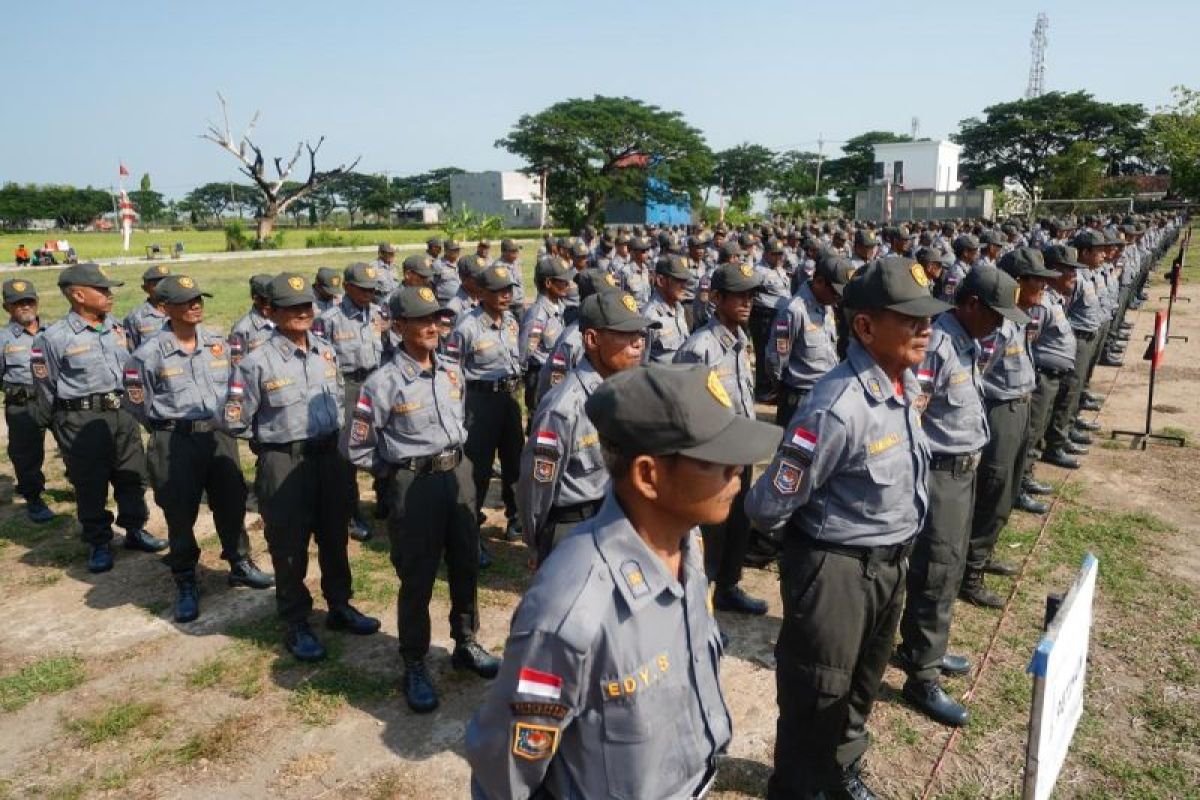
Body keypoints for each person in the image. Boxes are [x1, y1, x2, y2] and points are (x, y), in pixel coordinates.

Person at [467, 363, 781, 799]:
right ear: (649, 475)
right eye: (717, 461)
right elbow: (504, 776)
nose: (738, 473)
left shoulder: (686, 545)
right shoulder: (571, 613)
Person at [745, 256, 945, 800]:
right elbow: (768, 505)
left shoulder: (900, 383)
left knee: (860, 685)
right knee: (817, 693)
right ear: (865, 326)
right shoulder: (836, 407)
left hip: (887, 566)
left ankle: (840, 772)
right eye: (911, 319)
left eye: (927, 318)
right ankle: (799, 788)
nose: (926, 329)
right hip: (836, 571)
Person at [344, 285, 499, 712]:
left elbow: (459, 418)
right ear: (398, 326)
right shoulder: (381, 384)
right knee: (418, 579)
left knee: (466, 563)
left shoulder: (452, 371)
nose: (433, 326)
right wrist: (395, 475)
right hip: (414, 486)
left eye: (437, 318)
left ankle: (465, 640)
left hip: (458, 475)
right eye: (421, 319)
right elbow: (357, 447)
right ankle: (414, 661)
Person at [895, 264, 1028, 729]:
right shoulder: (937, 344)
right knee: (937, 569)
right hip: (940, 472)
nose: (1001, 322)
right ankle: (922, 675)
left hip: (962, 470)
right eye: (995, 312)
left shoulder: (966, 339)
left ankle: (921, 647)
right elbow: (913, 414)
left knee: (945, 570)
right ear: (970, 304)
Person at [222, 272, 380, 661]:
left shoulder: (326, 351)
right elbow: (233, 418)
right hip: (284, 461)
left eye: (307, 306)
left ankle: (339, 606)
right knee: (289, 546)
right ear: (271, 311)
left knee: (334, 538)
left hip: (331, 458)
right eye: (291, 308)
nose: (302, 313)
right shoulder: (255, 363)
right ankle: (295, 620)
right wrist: (271, 441)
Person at [125, 275, 273, 622]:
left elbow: (236, 389)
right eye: (186, 301)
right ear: (164, 308)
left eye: (198, 299)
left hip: (219, 436)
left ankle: (238, 562)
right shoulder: (147, 356)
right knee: (180, 513)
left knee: (231, 502)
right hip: (175, 441)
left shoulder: (218, 344)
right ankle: (186, 579)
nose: (196, 305)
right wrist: (168, 429)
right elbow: (137, 404)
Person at [32, 263, 165, 573]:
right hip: (80, 418)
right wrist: (63, 425)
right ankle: (98, 541)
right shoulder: (54, 337)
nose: (109, 295)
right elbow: (46, 387)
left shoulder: (117, 327)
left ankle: (134, 528)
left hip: (121, 414)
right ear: (78, 295)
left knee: (132, 474)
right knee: (90, 481)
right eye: (102, 290)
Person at [517, 292, 657, 563]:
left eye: (640, 334)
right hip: (574, 529)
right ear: (592, 339)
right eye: (626, 334)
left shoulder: (627, 390)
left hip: (616, 519)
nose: (638, 343)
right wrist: (538, 542)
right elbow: (536, 486)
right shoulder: (563, 407)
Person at [674, 263, 768, 616]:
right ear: (716, 298)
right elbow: (686, 409)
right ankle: (701, 602)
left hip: (740, 452)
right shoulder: (701, 348)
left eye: (750, 295)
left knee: (738, 524)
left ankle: (728, 586)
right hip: (712, 458)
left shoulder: (740, 341)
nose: (747, 302)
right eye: (738, 295)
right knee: (710, 533)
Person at [960, 264, 1040, 609]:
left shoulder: (1017, 318)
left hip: (1020, 405)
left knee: (1008, 488)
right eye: (1036, 279)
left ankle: (984, 552)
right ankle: (970, 571)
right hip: (999, 409)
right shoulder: (995, 325)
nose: (1043, 286)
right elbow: (977, 375)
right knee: (992, 488)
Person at [312, 262, 387, 541]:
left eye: (372, 289)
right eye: (363, 289)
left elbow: (389, 346)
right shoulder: (328, 319)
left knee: (382, 440)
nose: (369, 294)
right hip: (347, 385)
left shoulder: (379, 314)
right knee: (348, 450)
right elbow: (319, 361)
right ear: (347, 287)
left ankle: (385, 500)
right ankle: (351, 512)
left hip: (376, 382)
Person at [450, 263, 525, 542]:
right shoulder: (467, 327)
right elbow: (452, 372)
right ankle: (471, 531)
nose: (505, 295)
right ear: (481, 293)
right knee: (478, 468)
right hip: (480, 402)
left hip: (509, 399)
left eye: (508, 290)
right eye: (498, 291)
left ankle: (515, 518)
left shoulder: (511, 322)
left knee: (513, 460)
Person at [767, 252, 844, 426]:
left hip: (824, 392)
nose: (837, 299)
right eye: (835, 293)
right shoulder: (794, 310)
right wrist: (783, 388)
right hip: (799, 398)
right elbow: (776, 358)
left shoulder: (826, 306)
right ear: (820, 282)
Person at [0, 279, 54, 523]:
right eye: (17, 303)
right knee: (26, 454)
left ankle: (82, 486)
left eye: (28, 301)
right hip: (23, 404)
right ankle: (34, 498)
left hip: (57, 400)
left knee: (78, 446)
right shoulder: (3, 340)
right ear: (6, 307)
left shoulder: (54, 333)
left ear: (37, 302)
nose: (24, 306)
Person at [519, 257, 571, 418]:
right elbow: (524, 353)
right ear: (548, 283)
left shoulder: (560, 307)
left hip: (557, 379)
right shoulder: (537, 315)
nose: (567, 285)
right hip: (540, 380)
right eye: (563, 281)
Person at [751, 238, 793, 396]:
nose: (779, 258)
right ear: (766, 254)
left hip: (780, 315)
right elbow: (751, 293)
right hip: (764, 316)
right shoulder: (757, 271)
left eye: (780, 254)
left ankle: (775, 384)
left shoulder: (780, 269)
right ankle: (762, 387)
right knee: (763, 351)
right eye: (775, 254)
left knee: (779, 351)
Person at [642, 253, 692, 363]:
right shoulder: (649, 317)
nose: (684, 286)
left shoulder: (679, 309)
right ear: (661, 281)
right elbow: (641, 364)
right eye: (678, 281)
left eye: (685, 281)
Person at [228, 274, 275, 366]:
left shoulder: (283, 319)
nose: (271, 304)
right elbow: (236, 365)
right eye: (266, 300)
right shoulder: (241, 329)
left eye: (274, 299)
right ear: (255, 299)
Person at [123, 264, 171, 350]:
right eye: (157, 284)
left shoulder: (182, 310)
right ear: (145, 288)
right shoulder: (135, 317)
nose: (163, 288)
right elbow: (131, 351)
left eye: (167, 284)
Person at [492, 239, 527, 317]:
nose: (516, 254)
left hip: (519, 305)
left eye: (517, 251)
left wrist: (523, 300)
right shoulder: (498, 267)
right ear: (504, 252)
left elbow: (520, 283)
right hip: (508, 307)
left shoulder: (516, 262)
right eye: (513, 251)